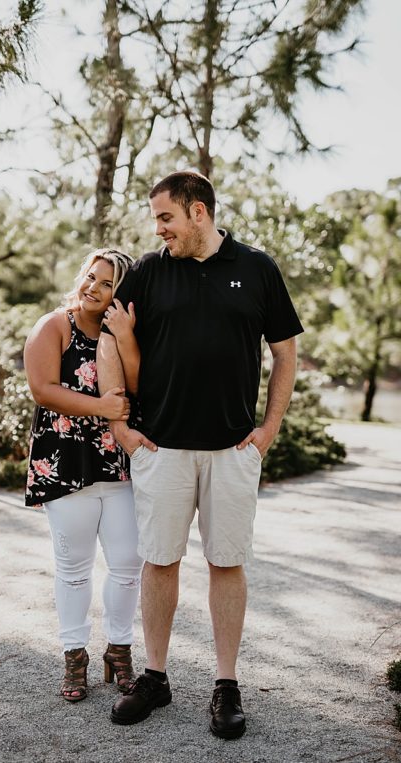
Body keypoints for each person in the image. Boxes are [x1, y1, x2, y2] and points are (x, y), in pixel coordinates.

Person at [99, 171, 302, 740]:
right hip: (161, 448)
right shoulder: (147, 271)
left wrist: (268, 428)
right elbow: (111, 340)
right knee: (159, 560)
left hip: (232, 451)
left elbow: (285, 353)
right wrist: (120, 425)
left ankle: (226, 686)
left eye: (165, 217)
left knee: (226, 562)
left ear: (199, 212)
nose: (158, 228)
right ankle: (156, 677)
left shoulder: (257, 268)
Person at [24, 248, 144, 703]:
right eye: (90, 277)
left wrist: (127, 336)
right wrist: (100, 407)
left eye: (107, 283)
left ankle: (119, 650)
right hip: (66, 460)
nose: (92, 287)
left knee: (128, 563)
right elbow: (42, 389)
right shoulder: (55, 325)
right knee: (74, 569)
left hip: (118, 465)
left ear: (121, 293)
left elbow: (138, 384)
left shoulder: (125, 331)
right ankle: (75, 657)